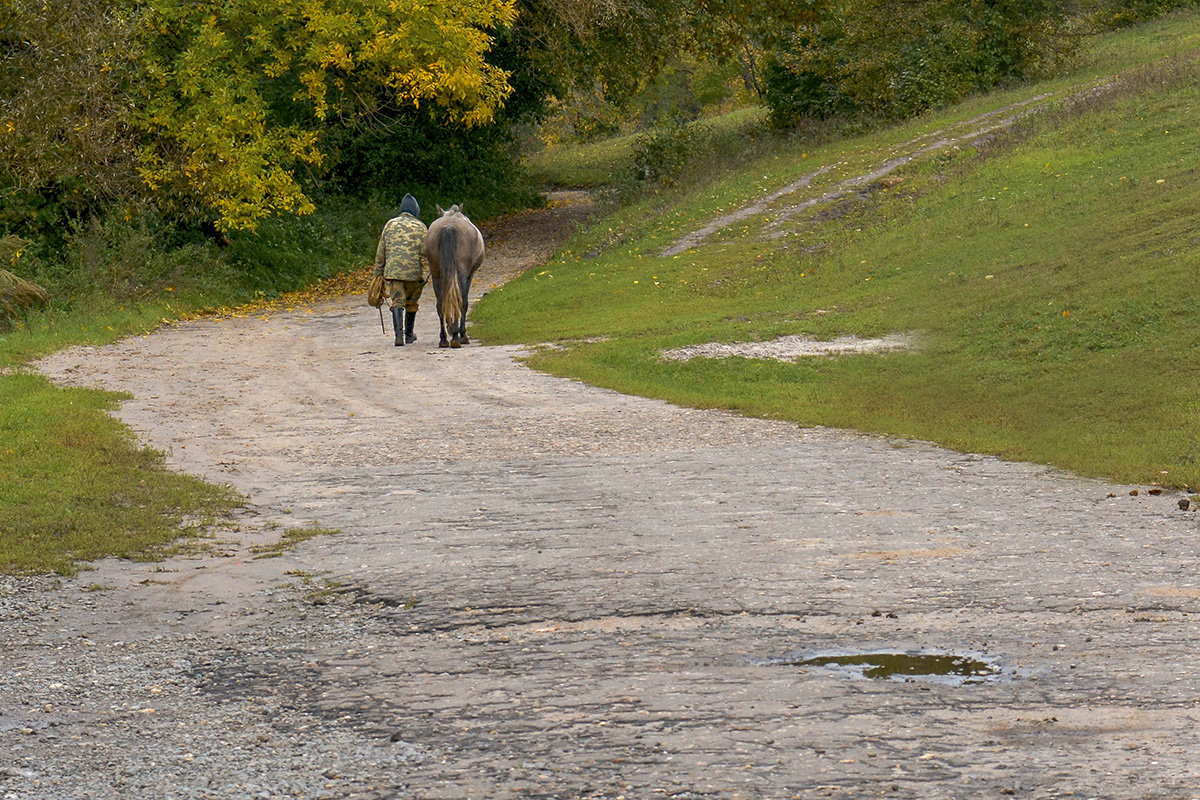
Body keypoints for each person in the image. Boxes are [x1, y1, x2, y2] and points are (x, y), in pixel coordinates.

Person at [373, 194, 428, 346]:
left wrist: (377, 273)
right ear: (415, 210)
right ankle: (409, 335)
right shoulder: (421, 227)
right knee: (411, 303)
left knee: (397, 301)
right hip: (413, 274)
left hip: (393, 273)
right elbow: (425, 252)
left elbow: (381, 252)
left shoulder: (389, 225)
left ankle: (399, 337)